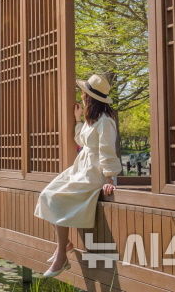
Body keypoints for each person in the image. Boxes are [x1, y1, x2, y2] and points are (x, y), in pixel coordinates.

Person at [34, 74, 122, 278]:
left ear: (90, 98)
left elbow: (107, 150)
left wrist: (109, 179)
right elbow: (82, 139)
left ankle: (61, 256)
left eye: (84, 94)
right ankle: (64, 246)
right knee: (47, 194)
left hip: (93, 172)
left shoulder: (106, 122)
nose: (82, 96)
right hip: (81, 167)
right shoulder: (93, 120)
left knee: (56, 198)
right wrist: (77, 119)